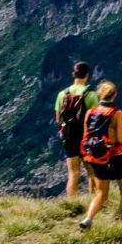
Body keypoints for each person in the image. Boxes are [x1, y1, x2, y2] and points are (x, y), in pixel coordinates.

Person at [77, 81, 122, 229]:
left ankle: (88, 218)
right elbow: (120, 139)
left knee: (101, 193)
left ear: (99, 94)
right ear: (114, 95)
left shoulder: (90, 112)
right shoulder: (117, 114)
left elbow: (86, 135)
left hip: (97, 157)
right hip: (116, 157)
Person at [53, 61, 94, 200]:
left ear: (73, 74)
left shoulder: (61, 94)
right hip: (86, 137)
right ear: (87, 76)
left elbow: (58, 118)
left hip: (69, 136)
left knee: (73, 173)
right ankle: (94, 200)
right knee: (91, 172)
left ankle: (72, 202)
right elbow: (95, 117)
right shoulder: (90, 95)